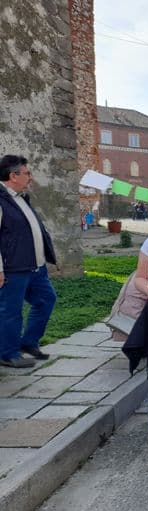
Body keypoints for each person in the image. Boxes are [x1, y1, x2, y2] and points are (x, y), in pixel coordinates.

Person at [0, 155, 58, 368]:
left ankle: (28, 343)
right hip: (13, 268)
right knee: (11, 310)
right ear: (13, 176)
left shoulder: (20, 197)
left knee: (46, 300)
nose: (30, 177)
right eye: (27, 173)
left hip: (36, 267)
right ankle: (7, 354)